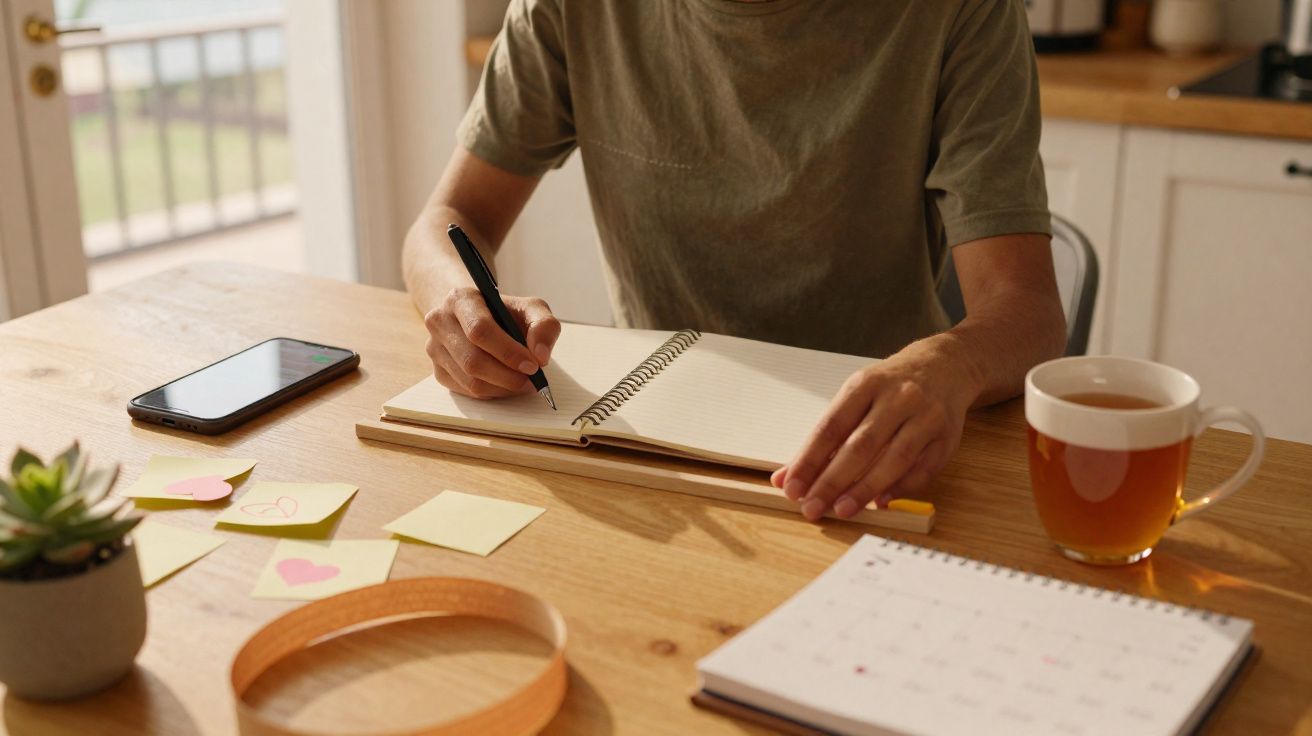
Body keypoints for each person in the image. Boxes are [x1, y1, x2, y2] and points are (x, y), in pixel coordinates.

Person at [403, 0, 1067, 522]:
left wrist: (950, 363)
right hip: (651, 449)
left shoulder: (962, 10)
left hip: (874, 459)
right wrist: (457, 300)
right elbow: (445, 223)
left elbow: (1029, 310)